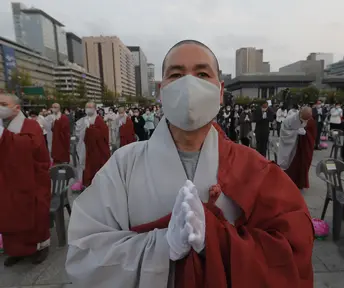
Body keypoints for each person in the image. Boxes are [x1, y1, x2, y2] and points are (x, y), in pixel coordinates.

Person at [66, 39, 314, 288]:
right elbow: (84, 252)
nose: (189, 84)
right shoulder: (122, 165)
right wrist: (164, 246)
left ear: (219, 90)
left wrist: (217, 241)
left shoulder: (254, 167)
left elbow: (292, 250)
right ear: (161, 90)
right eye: (176, 74)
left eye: (202, 73)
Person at [0, 93, 51, 266]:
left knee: (34, 213)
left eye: (3, 103)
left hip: (31, 179)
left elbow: (30, 147)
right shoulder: (4, 126)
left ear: (17, 108)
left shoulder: (31, 125)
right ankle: (17, 250)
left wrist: (4, 137)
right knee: (10, 214)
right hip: (8, 180)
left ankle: (40, 247)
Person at [277, 107, 316, 191]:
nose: (305, 121)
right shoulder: (291, 119)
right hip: (293, 146)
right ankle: (288, 181)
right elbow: (285, 131)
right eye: (304, 119)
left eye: (307, 119)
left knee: (303, 163)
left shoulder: (310, 120)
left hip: (303, 146)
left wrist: (305, 133)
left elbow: (312, 133)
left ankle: (300, 182)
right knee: (290, 163)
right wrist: (296, 132)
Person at [75, 102, 110, 187]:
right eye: (86, 107)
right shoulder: (82, 120)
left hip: (96, 149)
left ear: (94, 109)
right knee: (83, 164)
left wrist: (91, 129)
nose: (88, 109)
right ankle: (83, 181)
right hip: (84, 146)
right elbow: (77, 133)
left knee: (94, 166)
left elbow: (103, 134)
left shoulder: (99, 120)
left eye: (90, 107)